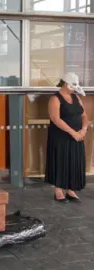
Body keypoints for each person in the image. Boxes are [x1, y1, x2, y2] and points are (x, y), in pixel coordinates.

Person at [46, 72, 89, 203]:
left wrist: (84, 129)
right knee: (60, 160)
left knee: (75, 161)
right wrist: (73, 133)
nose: (73, 89)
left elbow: (84, 115)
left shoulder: (76, 97)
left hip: (78, 135)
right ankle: (58, 190)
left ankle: (71, 190)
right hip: (61, 136)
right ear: (65, 84)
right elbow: (55, 119)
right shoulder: (55, 98)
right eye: (71, 86)